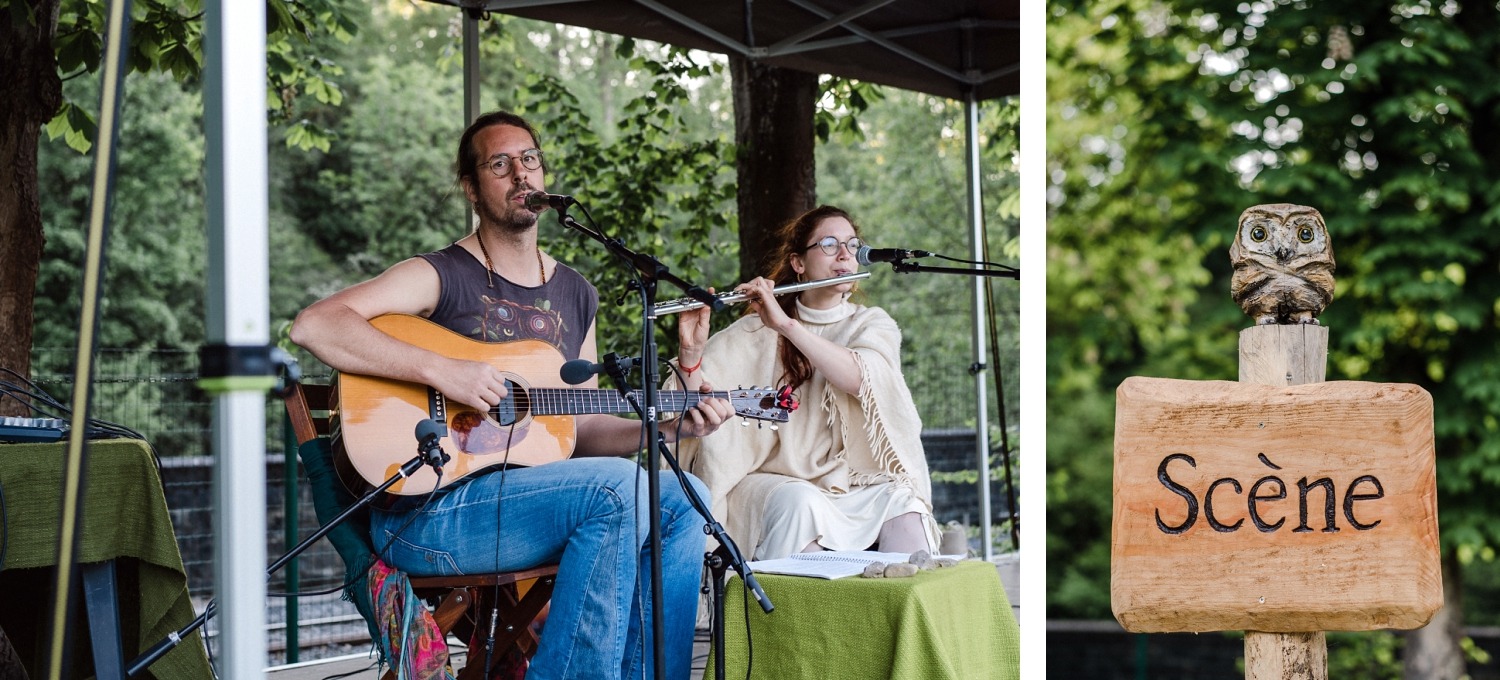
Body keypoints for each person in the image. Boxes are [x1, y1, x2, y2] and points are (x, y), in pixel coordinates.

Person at [290, 110, 732, 680]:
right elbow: (315, 326)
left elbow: (583, 434)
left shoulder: (577, 292)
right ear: (473, 189)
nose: (520, 173)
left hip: (532, 503)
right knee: (620, 490)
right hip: (429, 512)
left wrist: (671, 428)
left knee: (682, 495)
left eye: (529, 159)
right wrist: (442, 370)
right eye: (500, 164)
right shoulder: (442, 274)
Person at [672, 205, 941, 561]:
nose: (845, 254)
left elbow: (859, 378)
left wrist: (786, 325)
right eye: (829, 244)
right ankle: (812, 613)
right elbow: (685, 396)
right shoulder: (754, 331)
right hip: (775, 482)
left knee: (905, 504)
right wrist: (691, 353)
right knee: (802, 503)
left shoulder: (873, 324)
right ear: (798, 263)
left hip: (849, 483)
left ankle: (902, 605)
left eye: (852, 244)